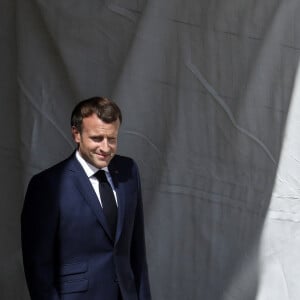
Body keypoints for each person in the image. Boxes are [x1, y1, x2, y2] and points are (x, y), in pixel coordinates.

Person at [21, 97, 151, 300]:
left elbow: (137, 252)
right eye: (97, 138)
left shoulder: (128, 172)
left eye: (112, 139)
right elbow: (38, 266)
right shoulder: (47, 185)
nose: (106, 148)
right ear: (76, 134)